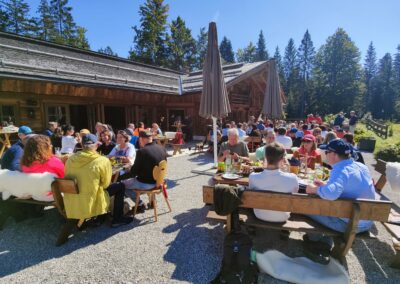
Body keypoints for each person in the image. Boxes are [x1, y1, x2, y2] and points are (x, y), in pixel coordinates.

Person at [305, 139, 376, 263]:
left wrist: (314, 189)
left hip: (349, 225)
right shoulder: (360, 166)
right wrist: (326, 185)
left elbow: (330, 194)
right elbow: (348, 186)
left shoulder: (340, 169)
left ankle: (315, 240)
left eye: (326, 151)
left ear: (334, 154)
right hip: (366, 220)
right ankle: (322, 239)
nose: (325, 153)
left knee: (304, 207)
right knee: (325, 205)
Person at [62, 134, 133, 238]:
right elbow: (105, 184)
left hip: (73, 198)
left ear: (81, 145)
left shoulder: (70, 159)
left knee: (95, 187)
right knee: (120, 186)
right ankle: (117, 219)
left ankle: (101, 218)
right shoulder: (102, 160)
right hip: (91, 198)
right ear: (96, 145)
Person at [249, 142, 299, 222]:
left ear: (265, 157)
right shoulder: (293, 178)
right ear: (282, 159)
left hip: (259, 214)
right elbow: (295, 192)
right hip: (283, 217)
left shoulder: (253, 177)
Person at [123, 130, 167, 210]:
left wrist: (120, 178)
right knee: (147, 173)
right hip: (159, 181)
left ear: (141, 139)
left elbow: (133, 172)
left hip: (147, 184)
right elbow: (163, 165)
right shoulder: (162, 148)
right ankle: (153, 201)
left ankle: (140, 204)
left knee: (122, 185)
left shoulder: (141, 152)